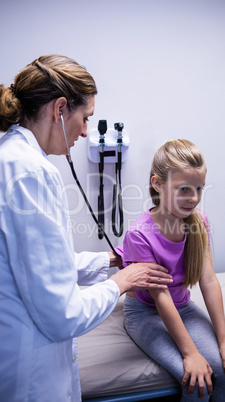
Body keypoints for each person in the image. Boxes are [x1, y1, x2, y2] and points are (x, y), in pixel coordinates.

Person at [0, 54, 173, 402]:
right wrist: (123, 281)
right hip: (31, 376)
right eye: (85, 118)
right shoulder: (32, 173)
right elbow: (63, 314)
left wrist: (109, 259)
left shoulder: (11, 158)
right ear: (60, 108)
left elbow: (39, 266)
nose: (84, 131)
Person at [116, 139, 225, 401]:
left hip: (184, 307)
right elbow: (160, 296)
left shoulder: (199, 222)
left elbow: (208, 280)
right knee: (197, 380)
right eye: (184, 189)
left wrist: (224, 339)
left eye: (199, 188)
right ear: (157, 184)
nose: (194, 198)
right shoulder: (139, 234)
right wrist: (190, 354)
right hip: (145, 313)